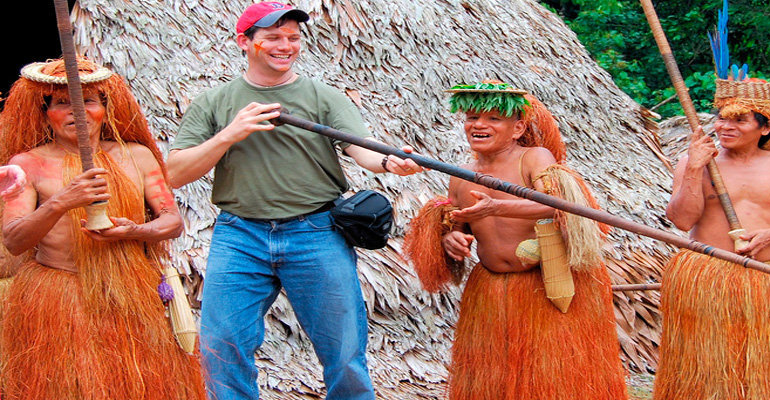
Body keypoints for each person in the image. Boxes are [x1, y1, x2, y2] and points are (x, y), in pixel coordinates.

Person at [167, 2, 421, 398]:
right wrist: (229, 134)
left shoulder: (324, 97)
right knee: (222, 346)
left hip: (316, 232)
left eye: (292, 38)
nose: (285, 46)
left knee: (343, 349)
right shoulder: (214, 102)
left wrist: (390, 161)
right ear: (244, 42)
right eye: (272, 38)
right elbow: (175, 172)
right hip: (239, 236)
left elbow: (364, 150)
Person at [403, 81, 627, 400]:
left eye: (493, 118)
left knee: (552, 380)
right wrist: (452, 238)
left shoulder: (534, 158)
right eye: (471, 117)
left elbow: (561, 203)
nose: (479, 124)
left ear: (518, 127)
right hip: (491, 288)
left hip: (546, 286)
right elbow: (459, 223)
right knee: (494, 379)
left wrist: (499, 206)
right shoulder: (460, 174)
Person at [0, 58, 204, 399]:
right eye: (63, 103)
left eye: (88, 101)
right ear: (46, 112)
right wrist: (62, 200)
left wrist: (133, 231)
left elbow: (172, 223)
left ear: (104, 110)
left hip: (131, 294)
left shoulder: (137, 157)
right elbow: (14, 240)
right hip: (59, 295)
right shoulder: (27, 164)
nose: (77, 112)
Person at [653, 76, 770, 399]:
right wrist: (694, 170)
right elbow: (681, 220)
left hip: (767, 279)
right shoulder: (694, 163)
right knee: (707, 370)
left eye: (739, 120)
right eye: (721, 118)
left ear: (766, 127)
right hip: (707, 280)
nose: (725, 127)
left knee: (767, 371)